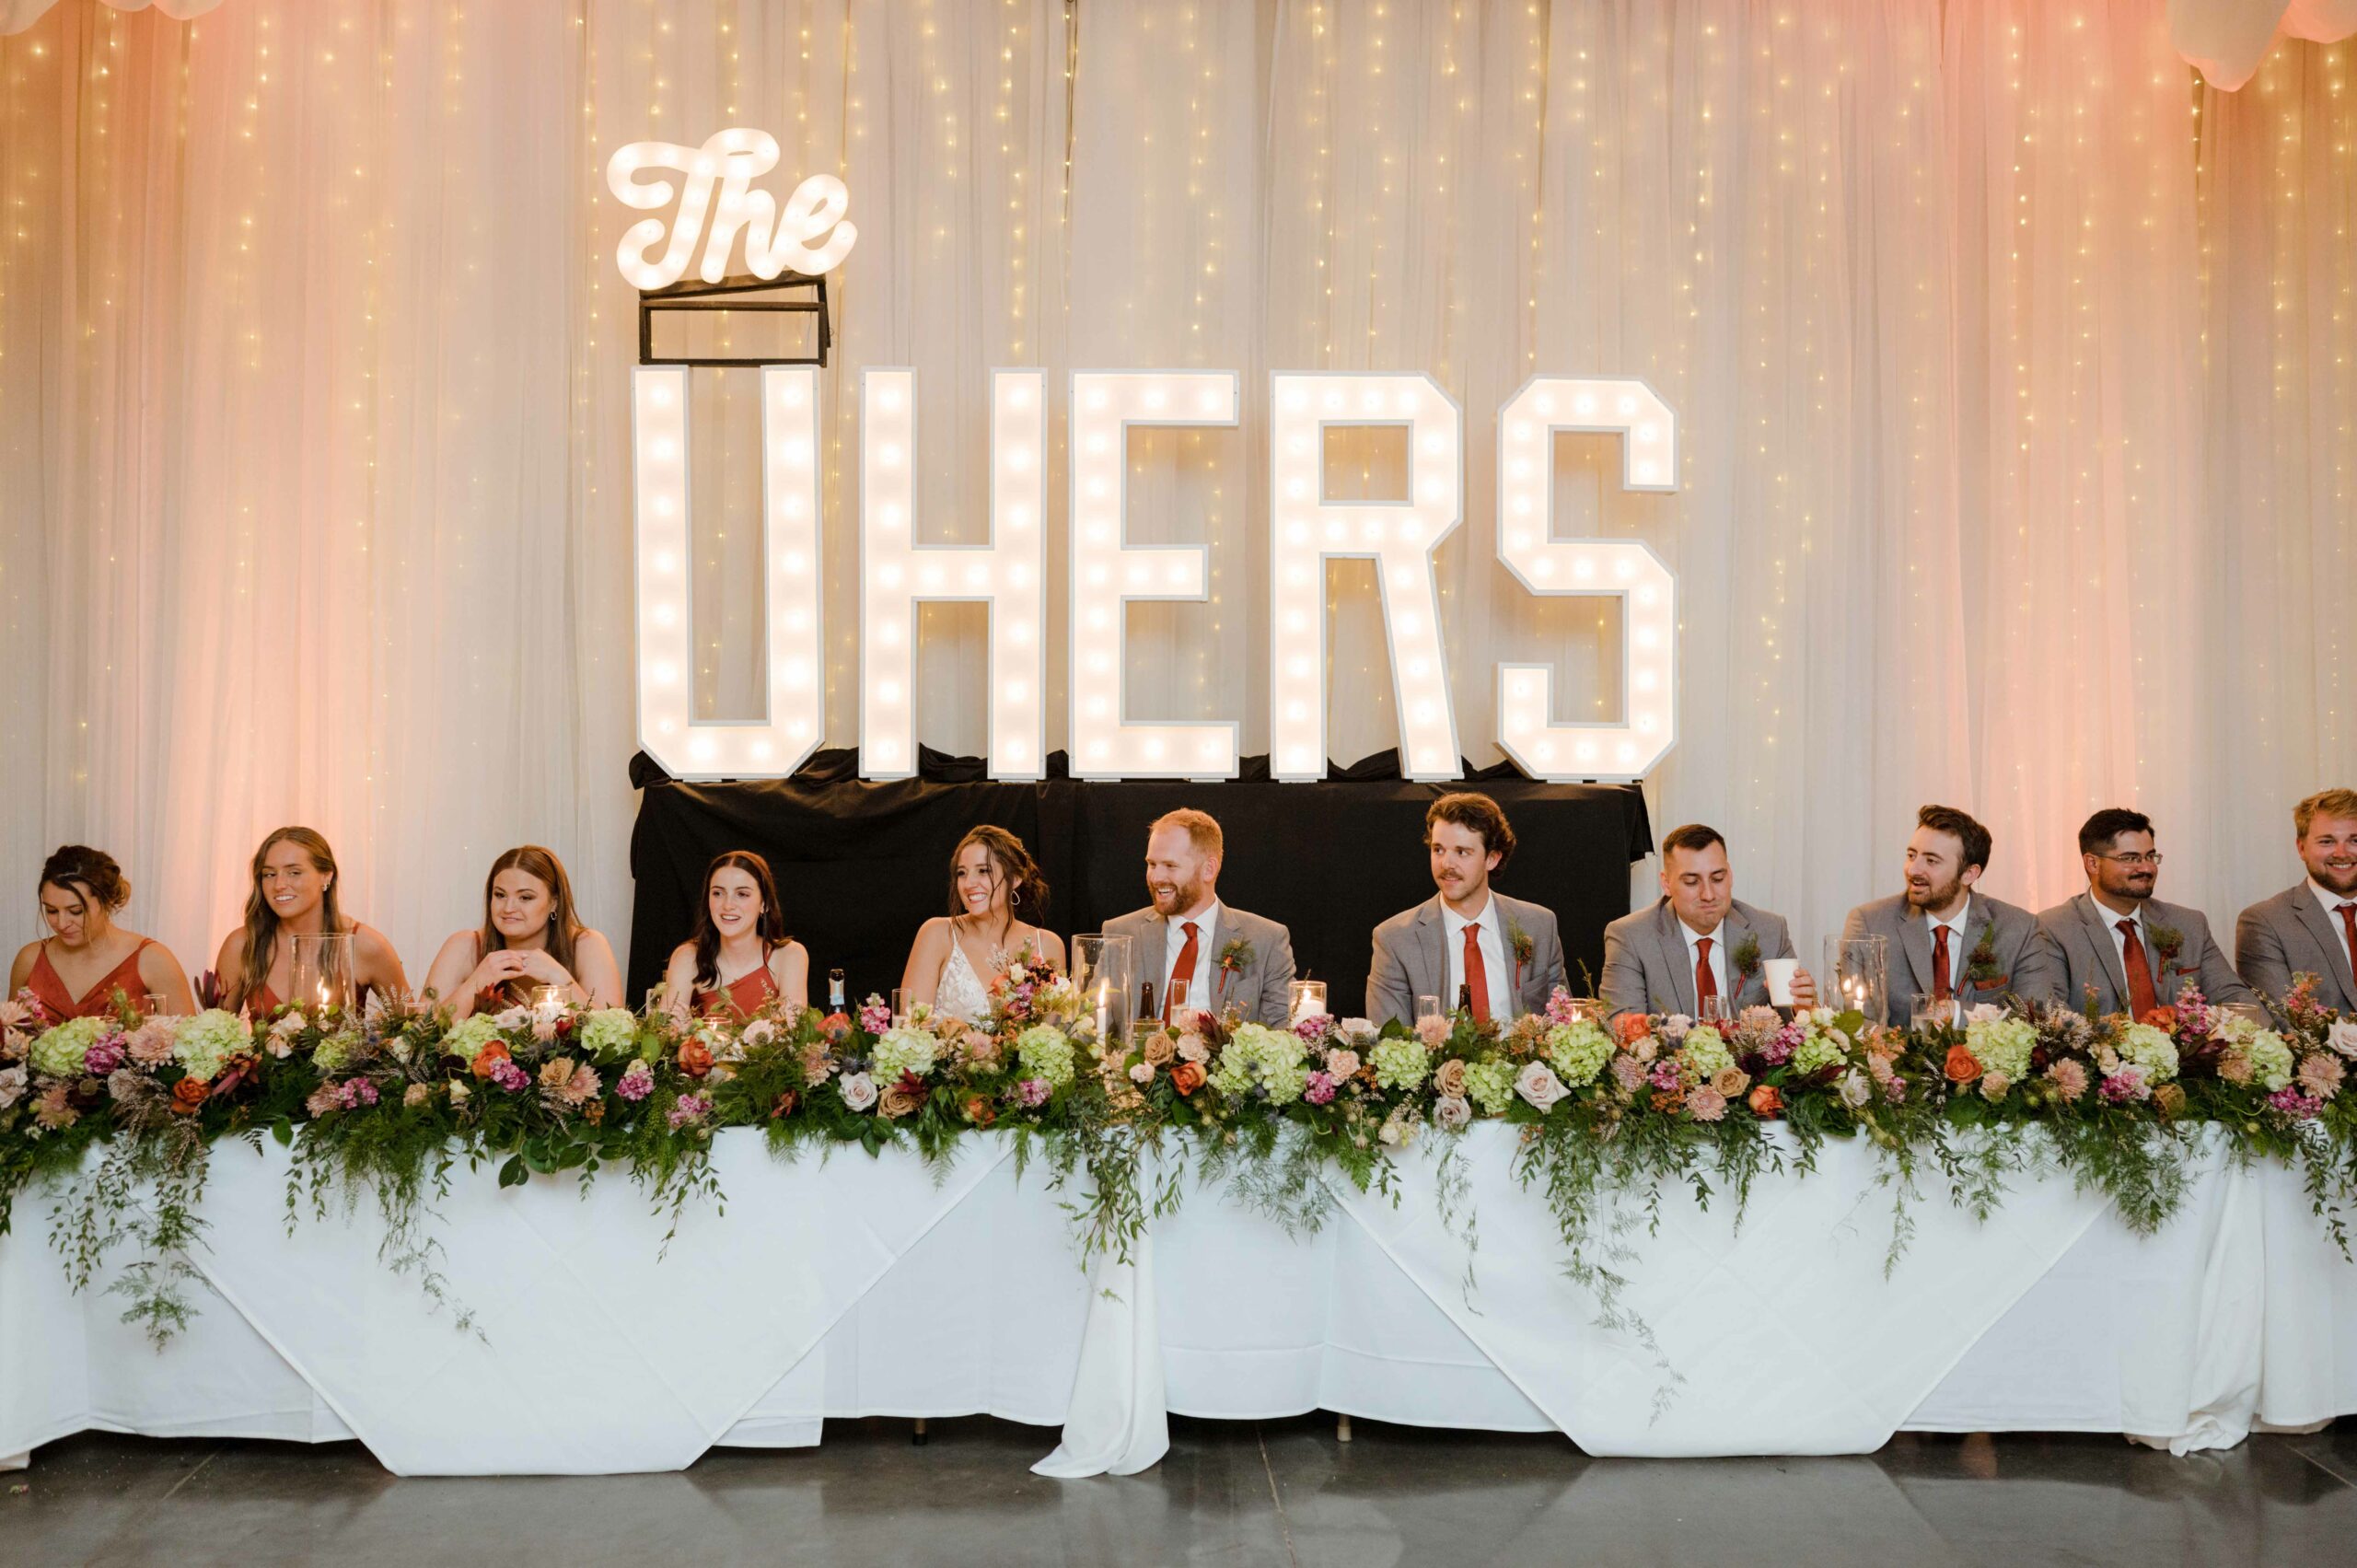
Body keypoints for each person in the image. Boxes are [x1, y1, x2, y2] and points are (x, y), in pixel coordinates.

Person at [1836, 805, 2063, 1025]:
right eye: (1912, 855)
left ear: (1969, 874)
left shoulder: (2020, 928)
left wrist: (1957, 1013)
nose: (1913, 870)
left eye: (1931, 861)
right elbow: (1861, 1022)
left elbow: (2035, 1018)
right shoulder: (1869, 923)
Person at [1366, 793, 1567, 1026]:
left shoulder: (1539, 926)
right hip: (1439, 1064)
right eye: (1438, 850)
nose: (1446, 864)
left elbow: (1562, 1029)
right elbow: (1389, 1043)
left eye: (1462, 852)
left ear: (1491, 859)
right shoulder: (1395, 939)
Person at [2037, 807, 2254, 1016]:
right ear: (2093, 863)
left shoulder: (2189, 924)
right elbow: (2052, 1014)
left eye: (2150, 856)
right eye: (2130, 858)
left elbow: (2232, 995)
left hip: (2184, 1053)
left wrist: (2273, 1041)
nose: (2146, 868)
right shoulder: (2054, 929)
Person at [1102, 808, 1295, 1028]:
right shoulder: (1118, 934)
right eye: (1152, 864)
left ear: (1208, 870)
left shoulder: (1267, 940)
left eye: (1170, 866)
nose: (1156, 877)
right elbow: (1090, 1026)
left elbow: (1282, 1030)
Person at [1599, 823, 1814, 1019]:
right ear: (1666, 883)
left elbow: (1794, 1026)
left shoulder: (1770, 931)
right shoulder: (1631, 936)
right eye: (1692, 882)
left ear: (1730, 875)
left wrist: (1803, 1009)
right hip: (1671, 1060)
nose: (1708, 894)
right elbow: (1623, 1029)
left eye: (1717, 879)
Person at [213, 827, 406, 1015]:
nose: (279, 885)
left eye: (294, 872)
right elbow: (214, 1037)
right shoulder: (242, 945)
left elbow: (412, 1033)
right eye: (269, 874)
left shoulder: (366, 944)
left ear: (326, 876)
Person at [421, 846, 623, 1019]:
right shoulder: (465, 944)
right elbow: (418, 1037)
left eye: (525, 898)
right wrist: (476, 982)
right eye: (500, 895)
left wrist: (559, 977)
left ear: (554, 902)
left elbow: (614, 1035)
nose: (508, 908)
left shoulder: (586, 944)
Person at [900, 826, 1065, 1023]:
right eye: (962, 873)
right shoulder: (936, 934)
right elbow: (910, 1030)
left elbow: (1054, 1035)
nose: (968, 883)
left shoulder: (1047, 945)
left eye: (983, 871)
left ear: (1016, 878)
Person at [9, 845, 195, 1020]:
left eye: (76, 911)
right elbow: (10, 1042)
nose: (62, 923)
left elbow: (188, 1047)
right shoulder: (30, 959)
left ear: (106, 902)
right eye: (51, 911)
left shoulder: (153, 959)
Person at [2236, 788, 2357, 1010]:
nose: (2342, 853)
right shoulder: (2265, 922)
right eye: (2327, 842)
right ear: (2301, 848)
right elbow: (2284, 1022)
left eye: (2354, 840)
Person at [662, 851, 809, 1020]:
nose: (728, 905)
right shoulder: (687, 956)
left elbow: (793, 1034)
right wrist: (678, 1033)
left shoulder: (790, 955)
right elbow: (664, 1033)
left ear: (764, 904)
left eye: (742, 894)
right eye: (718, 893)